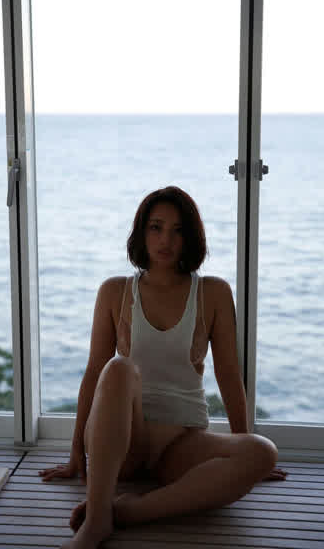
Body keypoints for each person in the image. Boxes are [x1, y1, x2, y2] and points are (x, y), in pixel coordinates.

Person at [38, 186, 287, 549]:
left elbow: (229, 374)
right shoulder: (114, 291)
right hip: (124, 443)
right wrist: (76, 451)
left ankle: (126, 512)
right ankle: (96, 521)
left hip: (181, 444)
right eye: (156, 228)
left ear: (191, 238)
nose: (165, 240)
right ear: (142, 233)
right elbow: (93, 374)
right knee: (118, 368)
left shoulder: (214, 293)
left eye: (177, 230)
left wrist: (241, 445)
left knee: (263, 451)